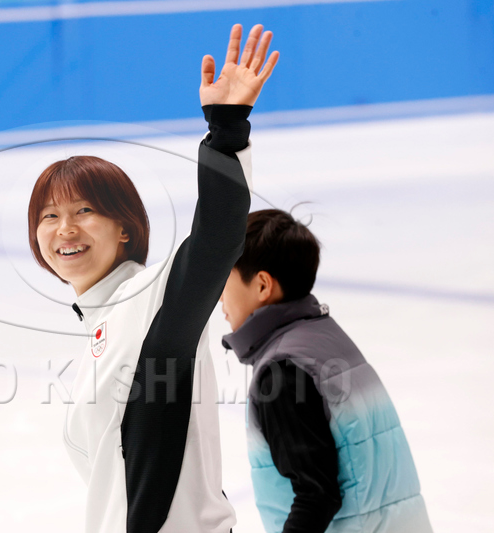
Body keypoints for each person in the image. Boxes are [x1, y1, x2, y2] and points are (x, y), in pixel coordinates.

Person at [27, 24, 278, 533]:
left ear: (124, 227)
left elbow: (216, 239)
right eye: (49, 216)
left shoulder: (148, 298)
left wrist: (227, 131)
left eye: (84, 210)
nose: (65, 229)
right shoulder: (100, 328)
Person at [219, 209, 433, 533]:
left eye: (226, 278)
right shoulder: (324, 340)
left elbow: (317, 496)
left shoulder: (282, 372)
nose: (219, 295)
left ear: (262, 285)